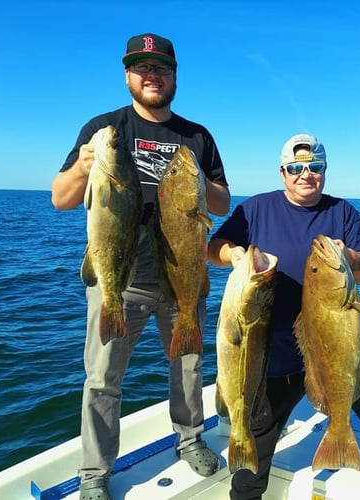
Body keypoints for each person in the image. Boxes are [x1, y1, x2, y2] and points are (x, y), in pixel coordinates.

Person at [208, 134, 360, 500]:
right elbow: (212, 248)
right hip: (275, 349)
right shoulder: (254, 209)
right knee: (257, 432)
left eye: (314, 167)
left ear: (325, 171)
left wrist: (350, 257)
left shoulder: (345, 213)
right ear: (283, 172)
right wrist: (235, 256)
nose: (306, 174)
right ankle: (247, 492)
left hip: (340, 343)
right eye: (296, 168)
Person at [51, 33, 231, 500]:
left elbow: (224, 201)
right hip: (121, 279)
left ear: (174, 75)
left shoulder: (197, 136)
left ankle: (190, 439)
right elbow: (61, 199)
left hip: (183, 277)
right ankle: (95, 474)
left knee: (188, 367)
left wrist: (193, 185)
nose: (152, 75)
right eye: (141, 67)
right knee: (103, 378)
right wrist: (82, 167)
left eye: (161, 68)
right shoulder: (105, 129)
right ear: (127, 75)